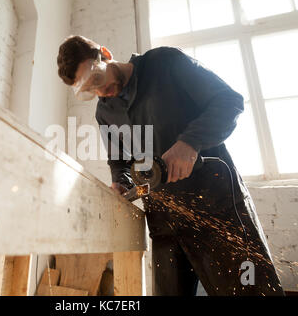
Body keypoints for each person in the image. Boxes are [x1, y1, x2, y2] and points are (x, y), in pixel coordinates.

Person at [57, 35, 284, 296]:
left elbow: (229, 100)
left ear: (105, 54)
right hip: (165, 220)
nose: (100, 92)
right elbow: (119, 161)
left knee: (249, 291)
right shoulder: (105, 112)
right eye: (89, 91)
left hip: (217, 205)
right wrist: (120, 184)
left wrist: (189, 143)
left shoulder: (164, 62)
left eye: (97, 79)